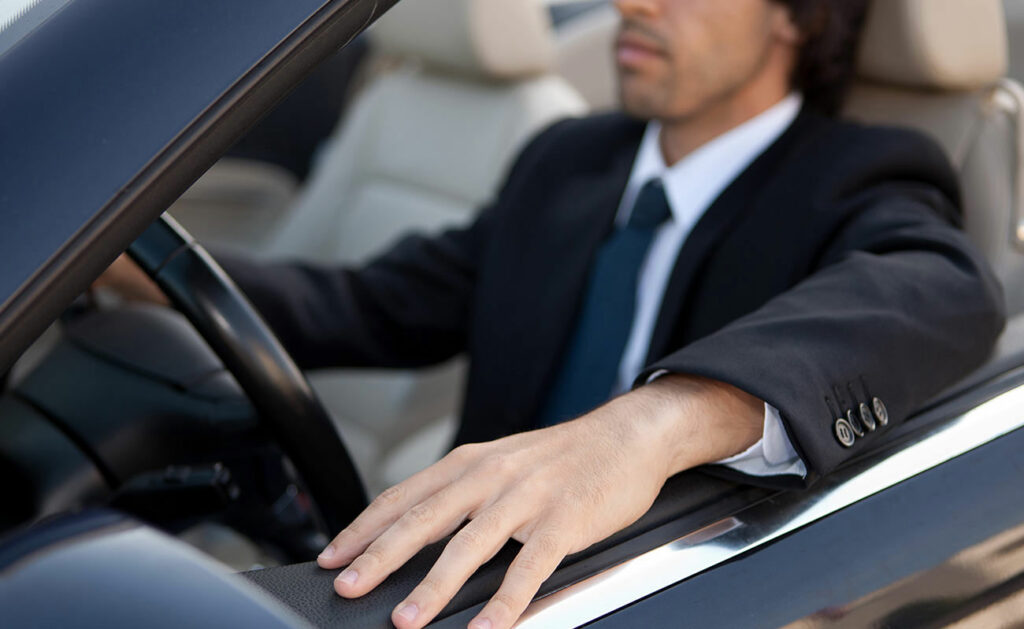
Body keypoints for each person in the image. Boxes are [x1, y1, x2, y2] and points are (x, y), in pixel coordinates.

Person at [97, 0, 1005, 627]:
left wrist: (651, 425)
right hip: (466, 585)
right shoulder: (568, 160)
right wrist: (115, 258)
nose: (633, 4)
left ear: (796, 16)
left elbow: (938, 286)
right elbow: (369, 304)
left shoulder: (859, 171)